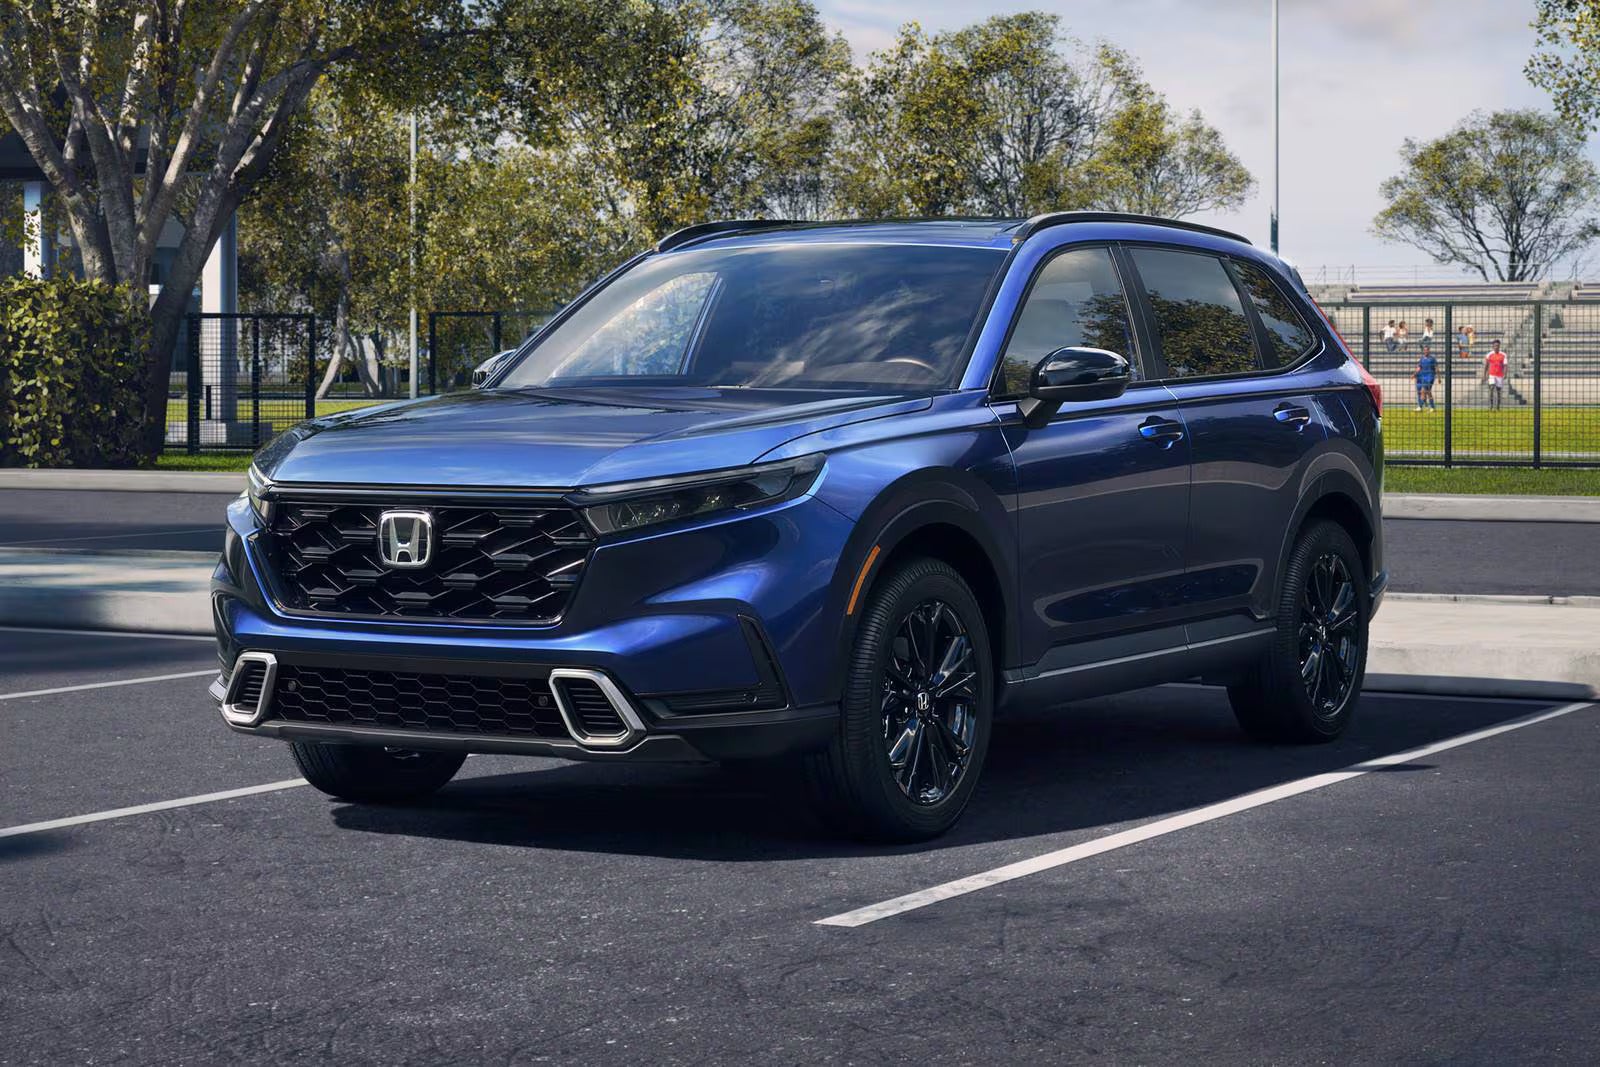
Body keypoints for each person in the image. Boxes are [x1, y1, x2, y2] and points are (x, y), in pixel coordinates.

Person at [1483, 339, 1508, 411]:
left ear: (1499, 346)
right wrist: (1484, 374)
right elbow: (1486, 365)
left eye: (1497, 345)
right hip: (1492, 374)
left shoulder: (1503, 355)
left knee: (1498, 391)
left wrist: (1505, 374)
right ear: (1493, 346)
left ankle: (1498, 407)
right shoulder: (1489, 355)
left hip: (1499, 375)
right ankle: (1491, 406)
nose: (1496, 347)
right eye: (1495, 346)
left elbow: (1505, 365)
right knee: (1491, 388)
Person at [1415, 341, 1437, 410]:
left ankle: (1420, 406)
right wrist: (1414, 374)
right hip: (1423, 377)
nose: (1426, 351)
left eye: (1427, 350)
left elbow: (1436, 368)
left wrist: (1439, 377)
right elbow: (1419, 367)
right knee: (1428, 392)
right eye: (1424, 350)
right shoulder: (1422, 358)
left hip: (1430, 377)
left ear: (1429, 351)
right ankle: (1432, 406)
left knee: (1423, 391)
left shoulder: (1432, 358)